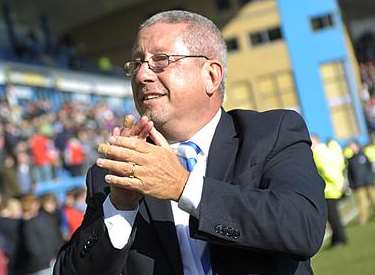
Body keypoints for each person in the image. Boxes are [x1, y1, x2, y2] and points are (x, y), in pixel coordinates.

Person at [54, 10, 327, 275]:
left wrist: (183, 187)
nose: (141, 76)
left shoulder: (270, 133)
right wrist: (120, 209)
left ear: (211, 75)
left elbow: (302, 228)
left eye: (161, 60)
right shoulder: (115, 171)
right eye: (137, 63)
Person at [311, 135, 347, 248]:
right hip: (331, 189)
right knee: (332, 217)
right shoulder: (325, 150)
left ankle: (340, 239)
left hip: (329, 191)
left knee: (333, 218)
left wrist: (338, 183)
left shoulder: (318, 153)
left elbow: (327, 170)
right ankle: (336, 238)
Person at [347, 141, 375, 225]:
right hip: (358, 185)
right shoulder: (350, 160)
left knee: (374, 199)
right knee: (362, 202)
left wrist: (372, 179)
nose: (352, 148)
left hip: (369, 182)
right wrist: (352, 185)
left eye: (353, 146)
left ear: (357, 146)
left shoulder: (364, 155)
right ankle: (363, 219)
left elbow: (370, 168)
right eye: (351, 147)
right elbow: (350, 174)